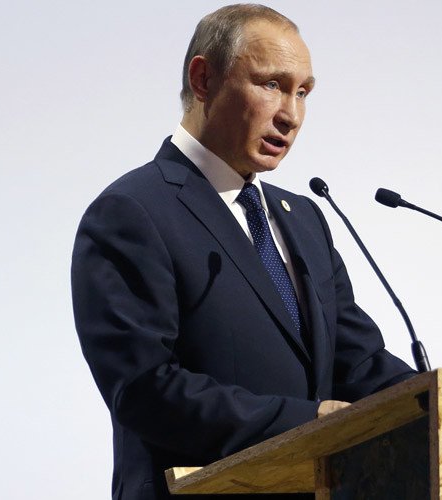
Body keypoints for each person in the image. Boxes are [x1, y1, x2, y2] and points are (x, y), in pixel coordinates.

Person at [71, 4, 415, 500]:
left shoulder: (304, 218)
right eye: (272, 84)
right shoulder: (132, 212)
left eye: (303, 92)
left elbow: (358, 366)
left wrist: (440, 404)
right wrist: (308, 424)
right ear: (204, 79)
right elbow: (146, 390)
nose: (291, 115)